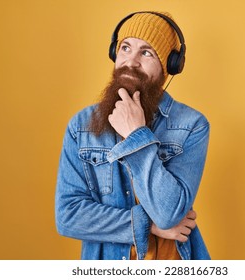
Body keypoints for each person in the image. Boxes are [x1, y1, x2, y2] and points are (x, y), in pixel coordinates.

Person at [55, 11, 210, 260]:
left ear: (170, 66)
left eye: (146, 52)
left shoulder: (192, 125)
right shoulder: (81, 126)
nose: (131, 62)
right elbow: (68, 216)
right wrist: (148, 225)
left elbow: (169, 213)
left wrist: (136, 135)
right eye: (125, 48)